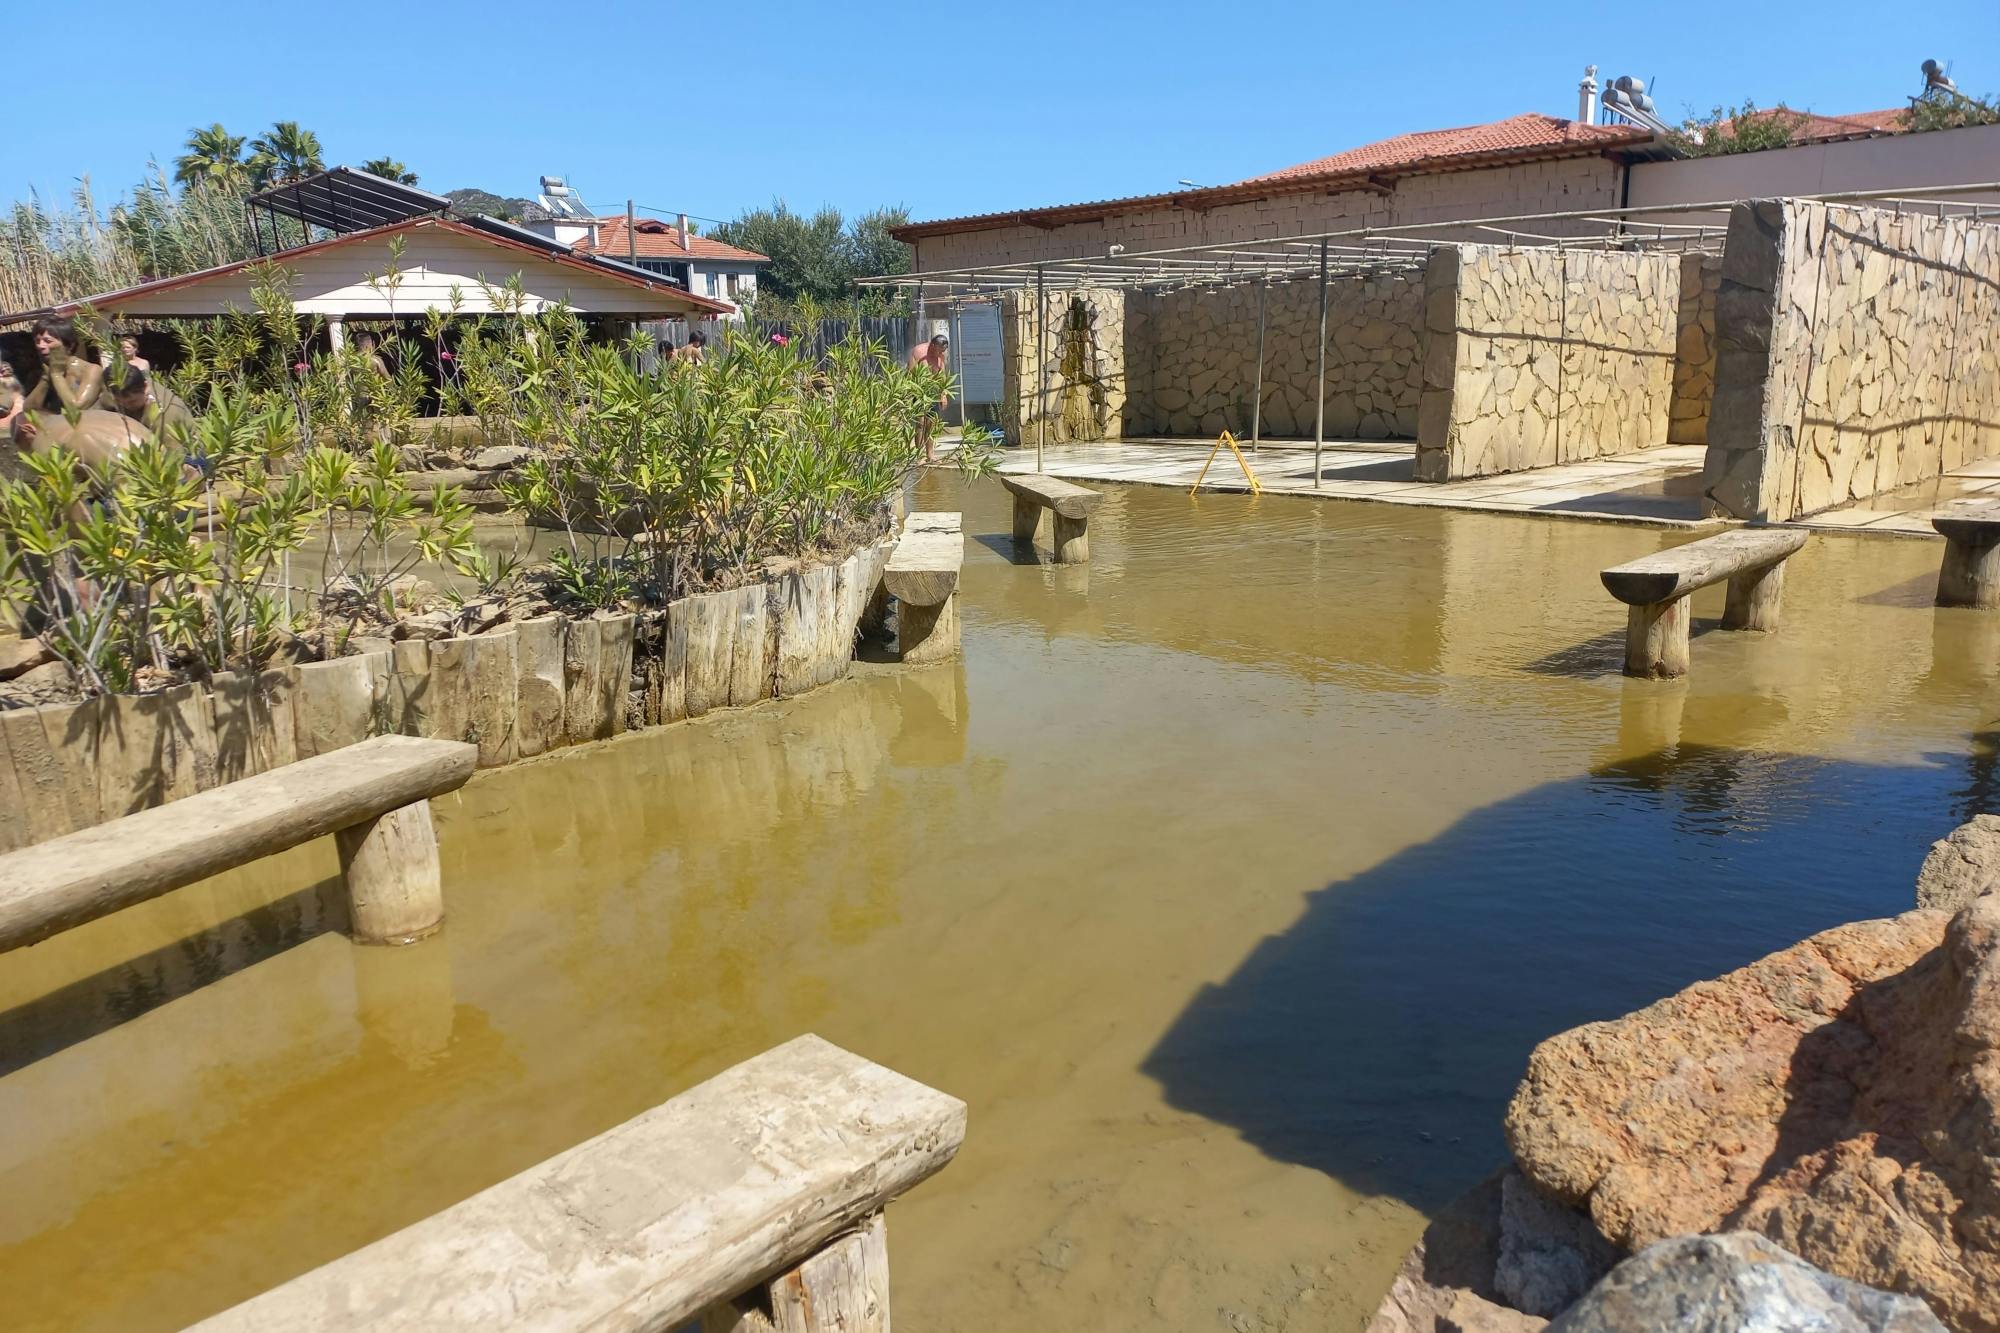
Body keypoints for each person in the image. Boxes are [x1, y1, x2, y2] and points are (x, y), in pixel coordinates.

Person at [20, 317, 106, 435]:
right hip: (59, 434)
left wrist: (56, 375)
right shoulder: (43, 373)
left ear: (69, 345)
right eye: (37, 341)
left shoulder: (91, 370)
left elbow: (76, 408)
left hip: (91, 433)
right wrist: (46, 378)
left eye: (48, 341)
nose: (40, 346)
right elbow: (29, 409)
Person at [110, 367, 194, 440]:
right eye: (119, 401)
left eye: (132, 402)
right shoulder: (114, 389)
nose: (126, 406)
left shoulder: (165, 415)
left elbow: (174, 453)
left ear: (146, 388)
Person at [908, 331, 950, 463]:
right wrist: (910, 394)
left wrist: (943, 394)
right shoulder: (919, 351)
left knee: (930, 424)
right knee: (920, 423)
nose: (940, 354)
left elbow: (942, 375)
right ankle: (919, 455)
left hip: (934, 393)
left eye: (942, 351)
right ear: (932, 345)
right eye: (939, 351)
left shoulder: (941, 355)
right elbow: (910, 373)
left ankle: (930, 454)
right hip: (920, 392)